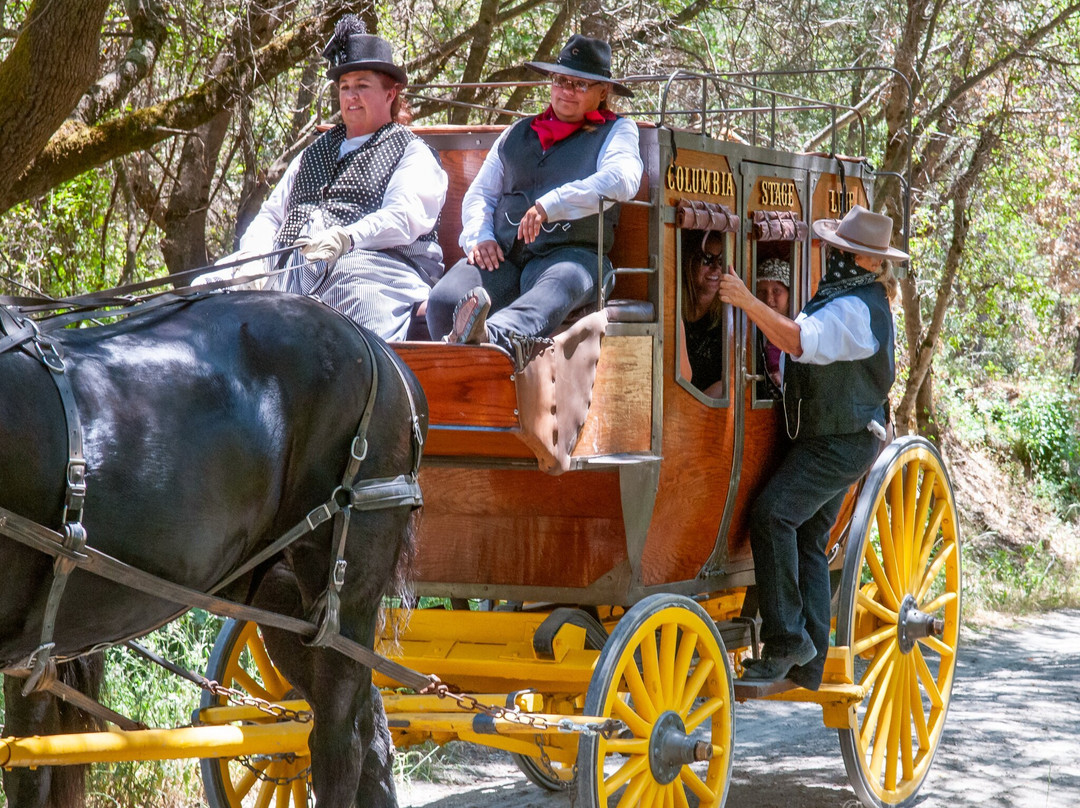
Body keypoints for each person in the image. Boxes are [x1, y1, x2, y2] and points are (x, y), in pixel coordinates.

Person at [718, 204, 906, 689]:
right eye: (837, 247)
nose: (835, 255)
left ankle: (787, 642)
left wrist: (744, 300)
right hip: (831, 434)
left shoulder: (855, 308)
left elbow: (799, 340)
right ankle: (811, 659)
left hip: (842, 441)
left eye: (846, 251)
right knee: (807, 538)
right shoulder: (843, 294)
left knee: (774, 515)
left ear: (868, 262)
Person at [196, 15, 447, 342]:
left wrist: (347, 237)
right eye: (344, 87)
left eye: (362, 86)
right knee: (207, 287)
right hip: (294, 267)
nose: (351, 96)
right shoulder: (312, 153)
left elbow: (402, 217)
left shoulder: (412, 152)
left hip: (374, 269)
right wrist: (251, 259)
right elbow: (272, 214)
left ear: (391, 93)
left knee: (352, 297)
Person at [425, 34, 642, 368]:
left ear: (603, 92)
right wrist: (480, 236)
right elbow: (480, 194)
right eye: (560, 80)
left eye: (579, 84)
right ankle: (457, 390)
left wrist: (550, 204)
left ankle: (486, 341)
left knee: (550, 293)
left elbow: (624, 179)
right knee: (443, 301)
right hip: (505, 256)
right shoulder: (516, 132)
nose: (566, 90)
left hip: (572, 256)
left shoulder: (619, 131)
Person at [681, 231, 727, 398]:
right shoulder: (673, 312)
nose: (716, 268)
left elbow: (731, 381)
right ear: (689, 263)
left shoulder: (729, 318)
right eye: (707, 259)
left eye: (721, 261)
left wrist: (694, 410)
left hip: (709, 414)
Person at [755, 257, 791, 393]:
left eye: (776, 291)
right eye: (762, 292)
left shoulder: (799, 332)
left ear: (789, 294)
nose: (769, 299)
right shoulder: (749, 330)